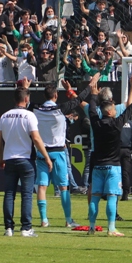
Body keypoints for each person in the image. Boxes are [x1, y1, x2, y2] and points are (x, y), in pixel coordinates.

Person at [81, 85, 132, 237]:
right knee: (111, 196)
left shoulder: (95, 123)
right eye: (114, 109)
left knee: (95, 197)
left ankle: (91, 227)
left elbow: (91, 109)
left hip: (98, 166)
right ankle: (111, 228)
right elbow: (131, 108)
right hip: (113, 167)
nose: (116, 111)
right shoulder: (117, 124)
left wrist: (94, 95)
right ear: (110, 112)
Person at [0, 88, 53, 238]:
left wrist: (0, 157)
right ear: (26, 99)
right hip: (26, 159)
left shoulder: (5, 115)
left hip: (9, 158)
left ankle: (9, 228)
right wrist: (46, 157)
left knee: (9, 194)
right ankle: (26, 228)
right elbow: (36, 138)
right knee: (27, 195)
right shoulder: (29, 116)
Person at [31, 81, 81, 229]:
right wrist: (72, 89)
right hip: (58, 152)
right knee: (64, 187)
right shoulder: (61, 108)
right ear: (56, 95)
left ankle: (44, 220)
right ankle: (68, 219)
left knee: (42, 186)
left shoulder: (36, 108)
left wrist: (26, 88)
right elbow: (78, 101)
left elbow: (23, 102)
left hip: (42, 152)